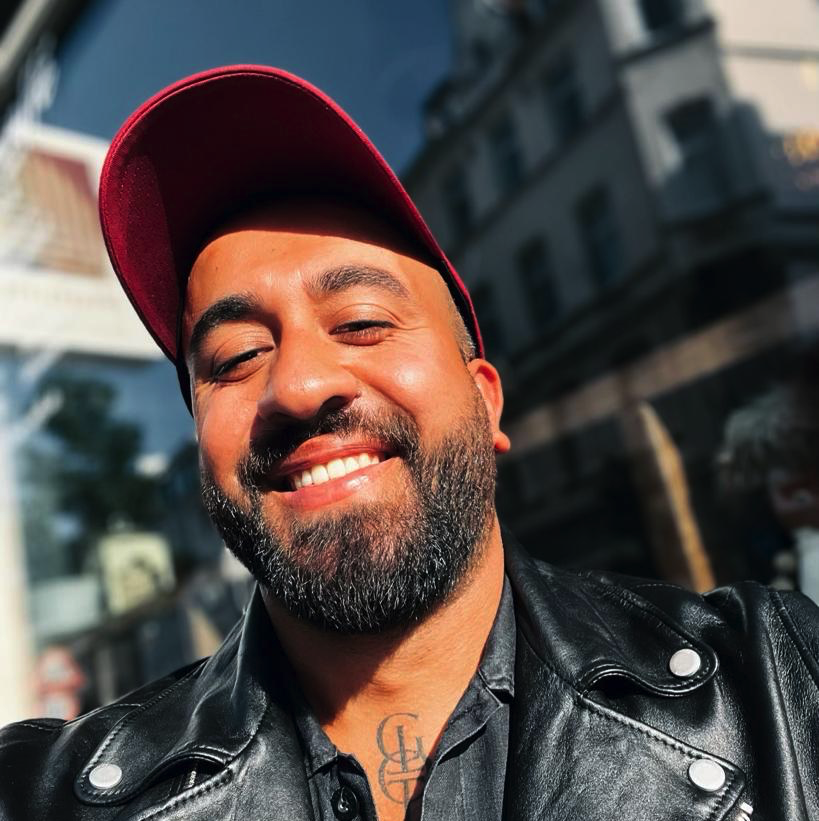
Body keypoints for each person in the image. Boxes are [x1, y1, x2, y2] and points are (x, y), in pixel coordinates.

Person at [0, 65, 817, 821]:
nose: (298, 385)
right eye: (235, 356)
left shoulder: (780, 678)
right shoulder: (43, 794)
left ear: (485, 399)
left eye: (361, 321)